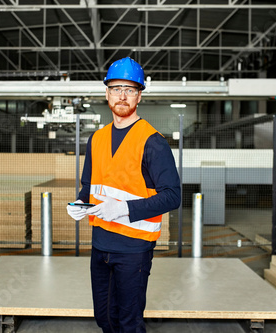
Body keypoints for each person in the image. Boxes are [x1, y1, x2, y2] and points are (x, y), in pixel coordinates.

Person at [67, 57, 181, 333]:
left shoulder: (152, 142)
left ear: (139, 95)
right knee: (105, 319)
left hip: (134, 249)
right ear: (106, 93)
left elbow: (172, 196)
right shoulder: (97, 139)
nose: (122, 95)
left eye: (129, 89)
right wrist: (81, 203)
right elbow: (88, 185)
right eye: (116, 88)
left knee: (129, 323)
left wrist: (124, 209)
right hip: (101, 244)